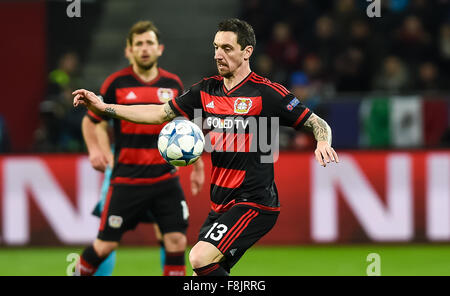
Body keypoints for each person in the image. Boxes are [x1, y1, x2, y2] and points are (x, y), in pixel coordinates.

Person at [73, 18, 339, 276]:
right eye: (215, 47)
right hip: (220, 204)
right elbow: (158, 113)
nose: (218, 55)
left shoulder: (266, 93)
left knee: (199, 257)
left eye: (226, 48)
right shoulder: (205, 90)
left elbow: (317, 123)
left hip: (254, 202)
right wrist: (104, 107)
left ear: (247, 52)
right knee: (207, 270)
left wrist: (323, 141)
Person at [76, 20, 205, 276]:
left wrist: (198, 166)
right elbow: (93, 121)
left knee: (176, 241)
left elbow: (184, 128)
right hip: (127, 179)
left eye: (149, 43)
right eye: (139, 44)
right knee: (105, 245)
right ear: (129, 50)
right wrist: (95, 150)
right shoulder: (116, 83)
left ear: (160, 49)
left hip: (164, 179)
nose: (144, 48)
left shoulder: (172, 84)